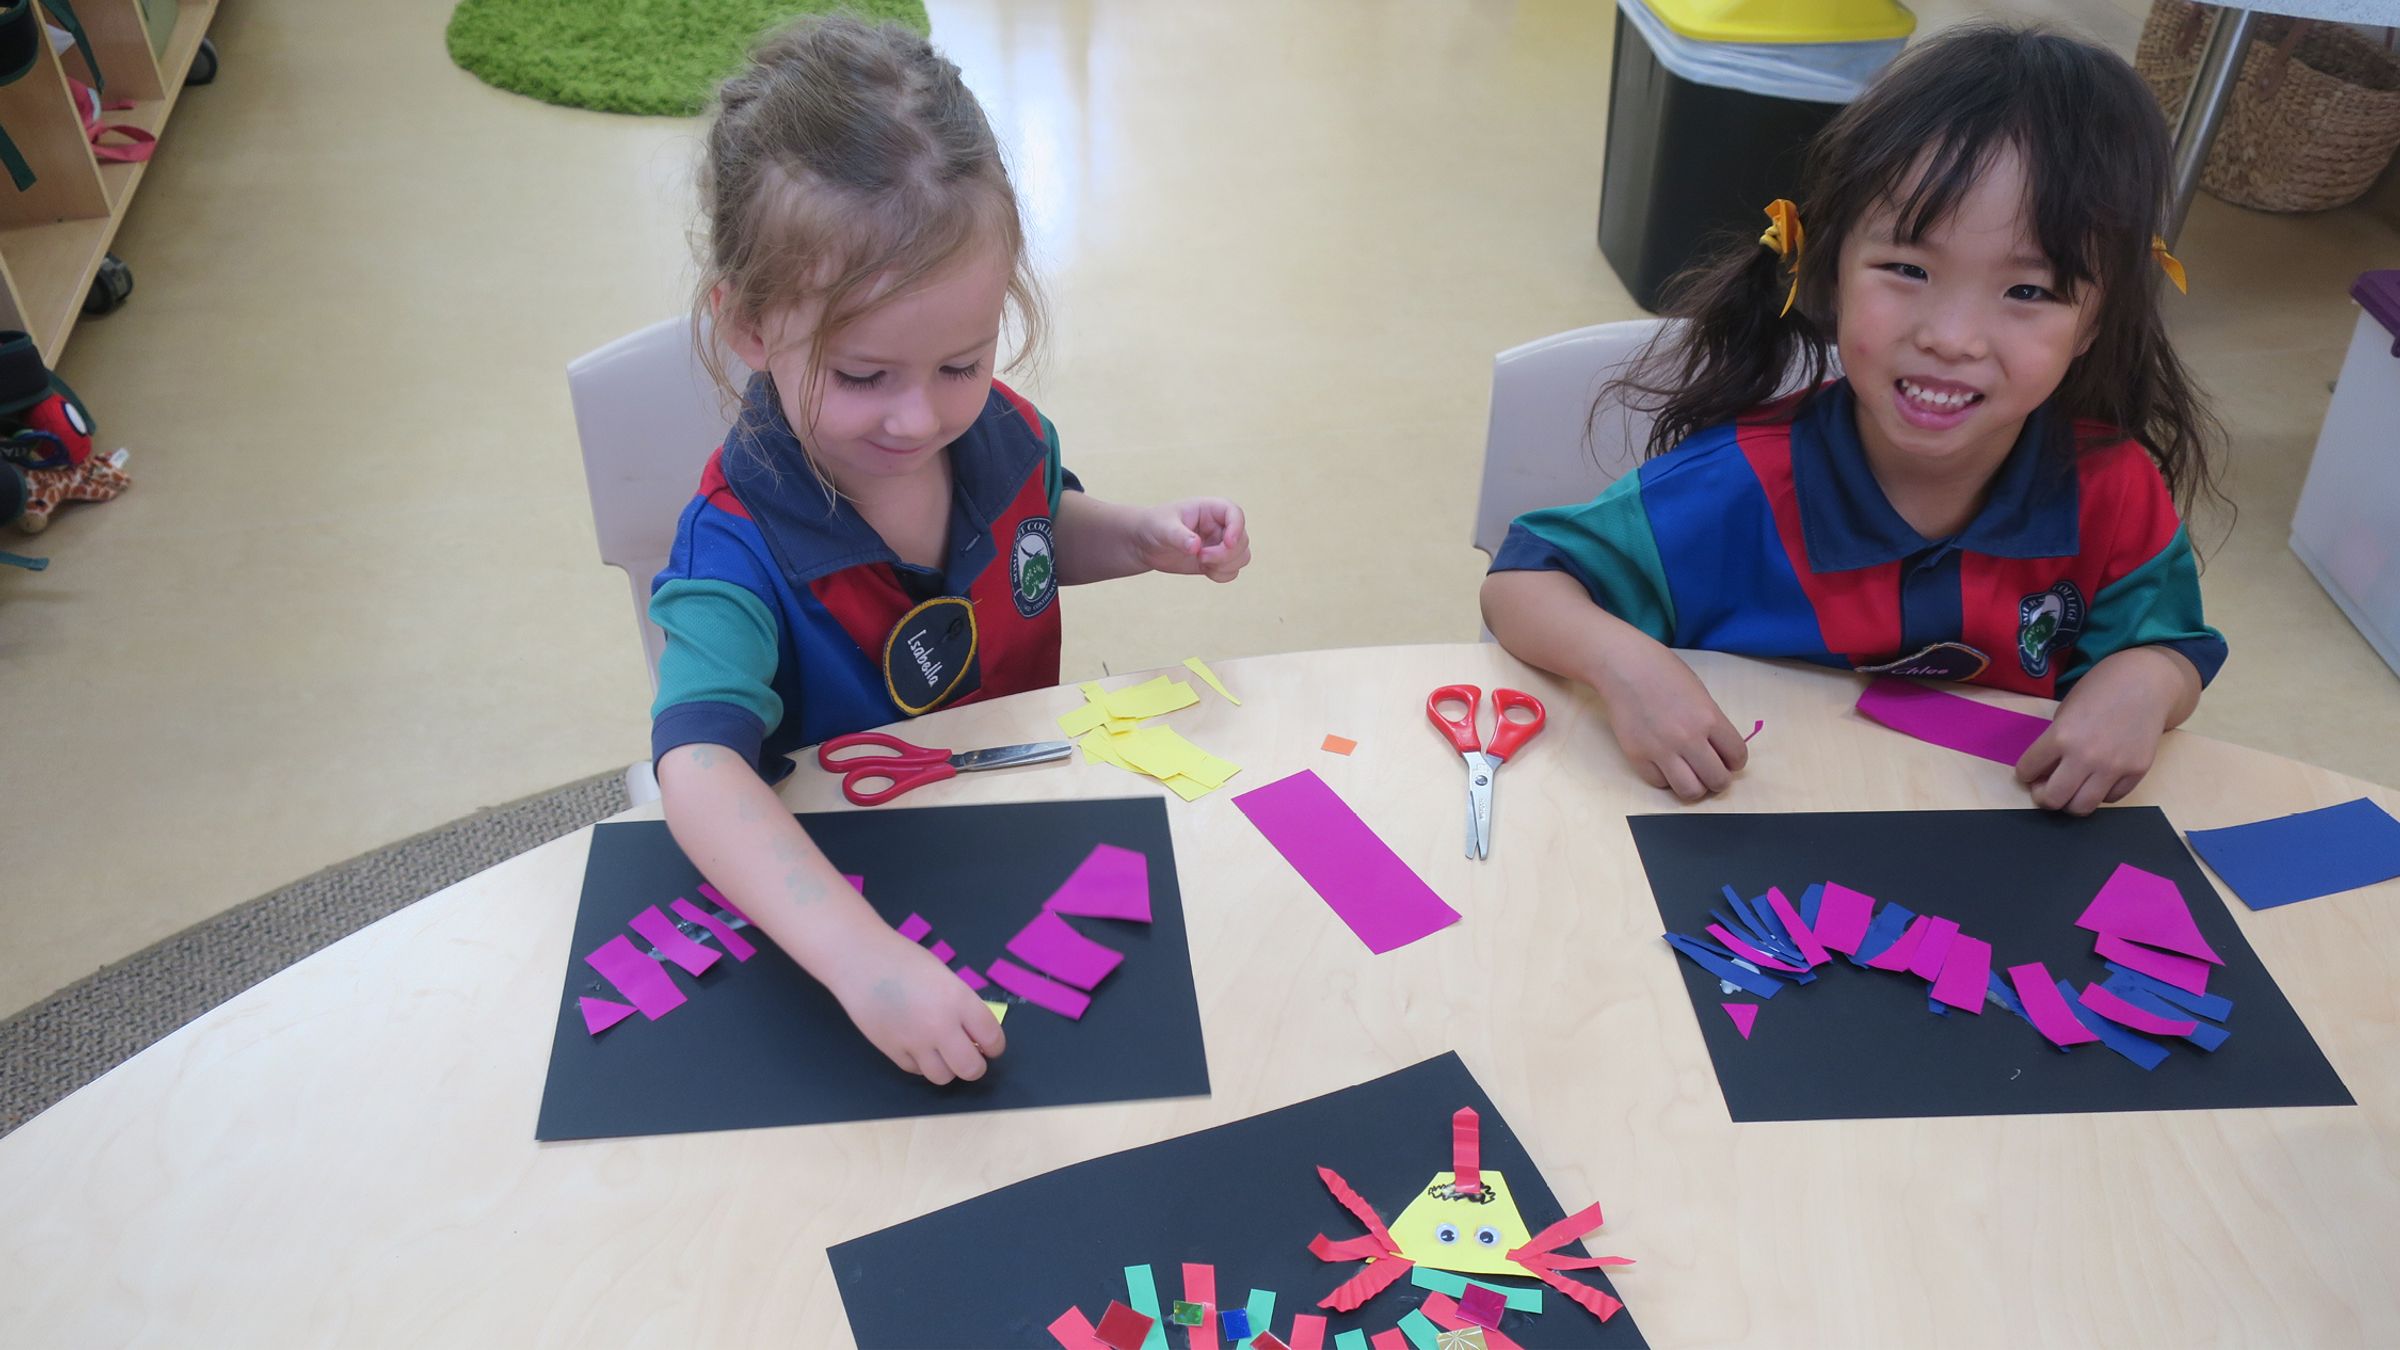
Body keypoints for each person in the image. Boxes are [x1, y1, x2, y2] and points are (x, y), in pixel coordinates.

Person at [650, 17, 1250, 1085]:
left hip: (1019, 840)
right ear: (747, 327)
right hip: (836, 905)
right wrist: (862, 962)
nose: (919, 419)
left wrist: (1138, 536)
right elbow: (697, 769)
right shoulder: (732, 549)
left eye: (961, 364)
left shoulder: (1001, 433)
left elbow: (1037, 534)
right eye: (863, 375)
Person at [1483, 24, 2224, 817]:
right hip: (1740, 847)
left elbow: (2168, 643)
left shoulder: (2115, 491)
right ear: (1827, 272)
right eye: (1908, 269)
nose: (1953, 338)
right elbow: (1523, 583)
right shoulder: (1737, 485)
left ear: (2095, 324)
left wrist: (2147, 682)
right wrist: (1624, 666)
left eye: (2028, 292)